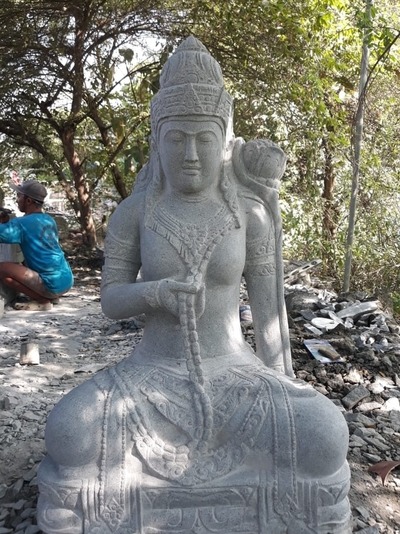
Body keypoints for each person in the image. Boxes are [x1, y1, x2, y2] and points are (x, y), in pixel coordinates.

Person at [37, 37, 351, 533]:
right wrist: (154, 292)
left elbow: (270, 320)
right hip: (149, 376)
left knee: (325, 433)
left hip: (236, 374)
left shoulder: (249, 216)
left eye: (203, 139)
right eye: (175, 138)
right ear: (156, 141)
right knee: (69, 431)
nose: (189, 153)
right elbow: (111, 302)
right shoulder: (135, 213)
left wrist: (283, 387)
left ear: (224, 142)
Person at [0, 180, 73, 311]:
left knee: (2, 269)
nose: (17, 200)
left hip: (51, 284)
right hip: (66, 280)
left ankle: (43, 301)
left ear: (28, 201)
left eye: (19, 196)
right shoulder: (48, 220)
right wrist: (5, 223)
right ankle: (49, 296)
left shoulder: (21, 223)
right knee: (23, 262)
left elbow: (4, 233)